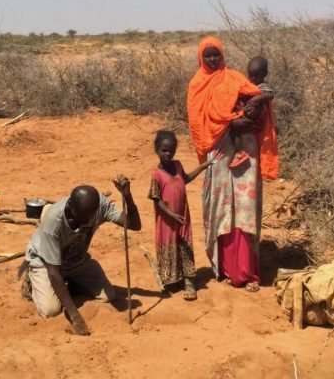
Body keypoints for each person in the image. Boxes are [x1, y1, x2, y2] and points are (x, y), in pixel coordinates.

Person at [187, 37, 279, 292]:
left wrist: (245, 114)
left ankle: (248, 272)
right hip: (217, 152)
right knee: (221, 207)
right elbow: (198, 126)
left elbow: (261, 94)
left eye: (216, 55)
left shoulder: (234, 78)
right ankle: (225, 268)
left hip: (245, 149)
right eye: (208, 56)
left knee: (244, 207)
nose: (213, 60)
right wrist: (230, 123)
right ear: (200, 58)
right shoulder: (196, 85)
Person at [18, 177, 141, 336]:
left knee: (108, 296)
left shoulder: (99, 206)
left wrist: (127, 196)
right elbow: (53, 271)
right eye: (83, 219)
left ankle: (70, 283)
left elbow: (134, 225)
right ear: (70, 207)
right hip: (45, 262)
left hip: (76, 260)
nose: (89, 222)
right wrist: (75, 316)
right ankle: (32, 279)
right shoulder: (53, 222)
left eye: (91, 217)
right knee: (51, 310)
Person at [147, 130, 212, 301]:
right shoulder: (156, 174)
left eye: (171, 150)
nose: (167, 154)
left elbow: (186, 178)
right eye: (164, 150)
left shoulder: (177, 165)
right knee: (169, 247)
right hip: (166, 220)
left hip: (183, 217)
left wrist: (201, 167)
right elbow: (156, 200)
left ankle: (189, 281)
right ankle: (171, 280)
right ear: (157, 150)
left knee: (184, 246)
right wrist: (171, 215)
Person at [228, 56, 276, 168]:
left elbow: (270, 94)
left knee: (234, 129)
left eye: (256, 75)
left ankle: (239, 153)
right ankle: (239, 152)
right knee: (234, 128)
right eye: (250, 75)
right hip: (248, 116)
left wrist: (256, 99)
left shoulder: (262, 86)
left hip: (255, 118)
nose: (252, 78)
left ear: (265, 74)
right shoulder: (249, 84)